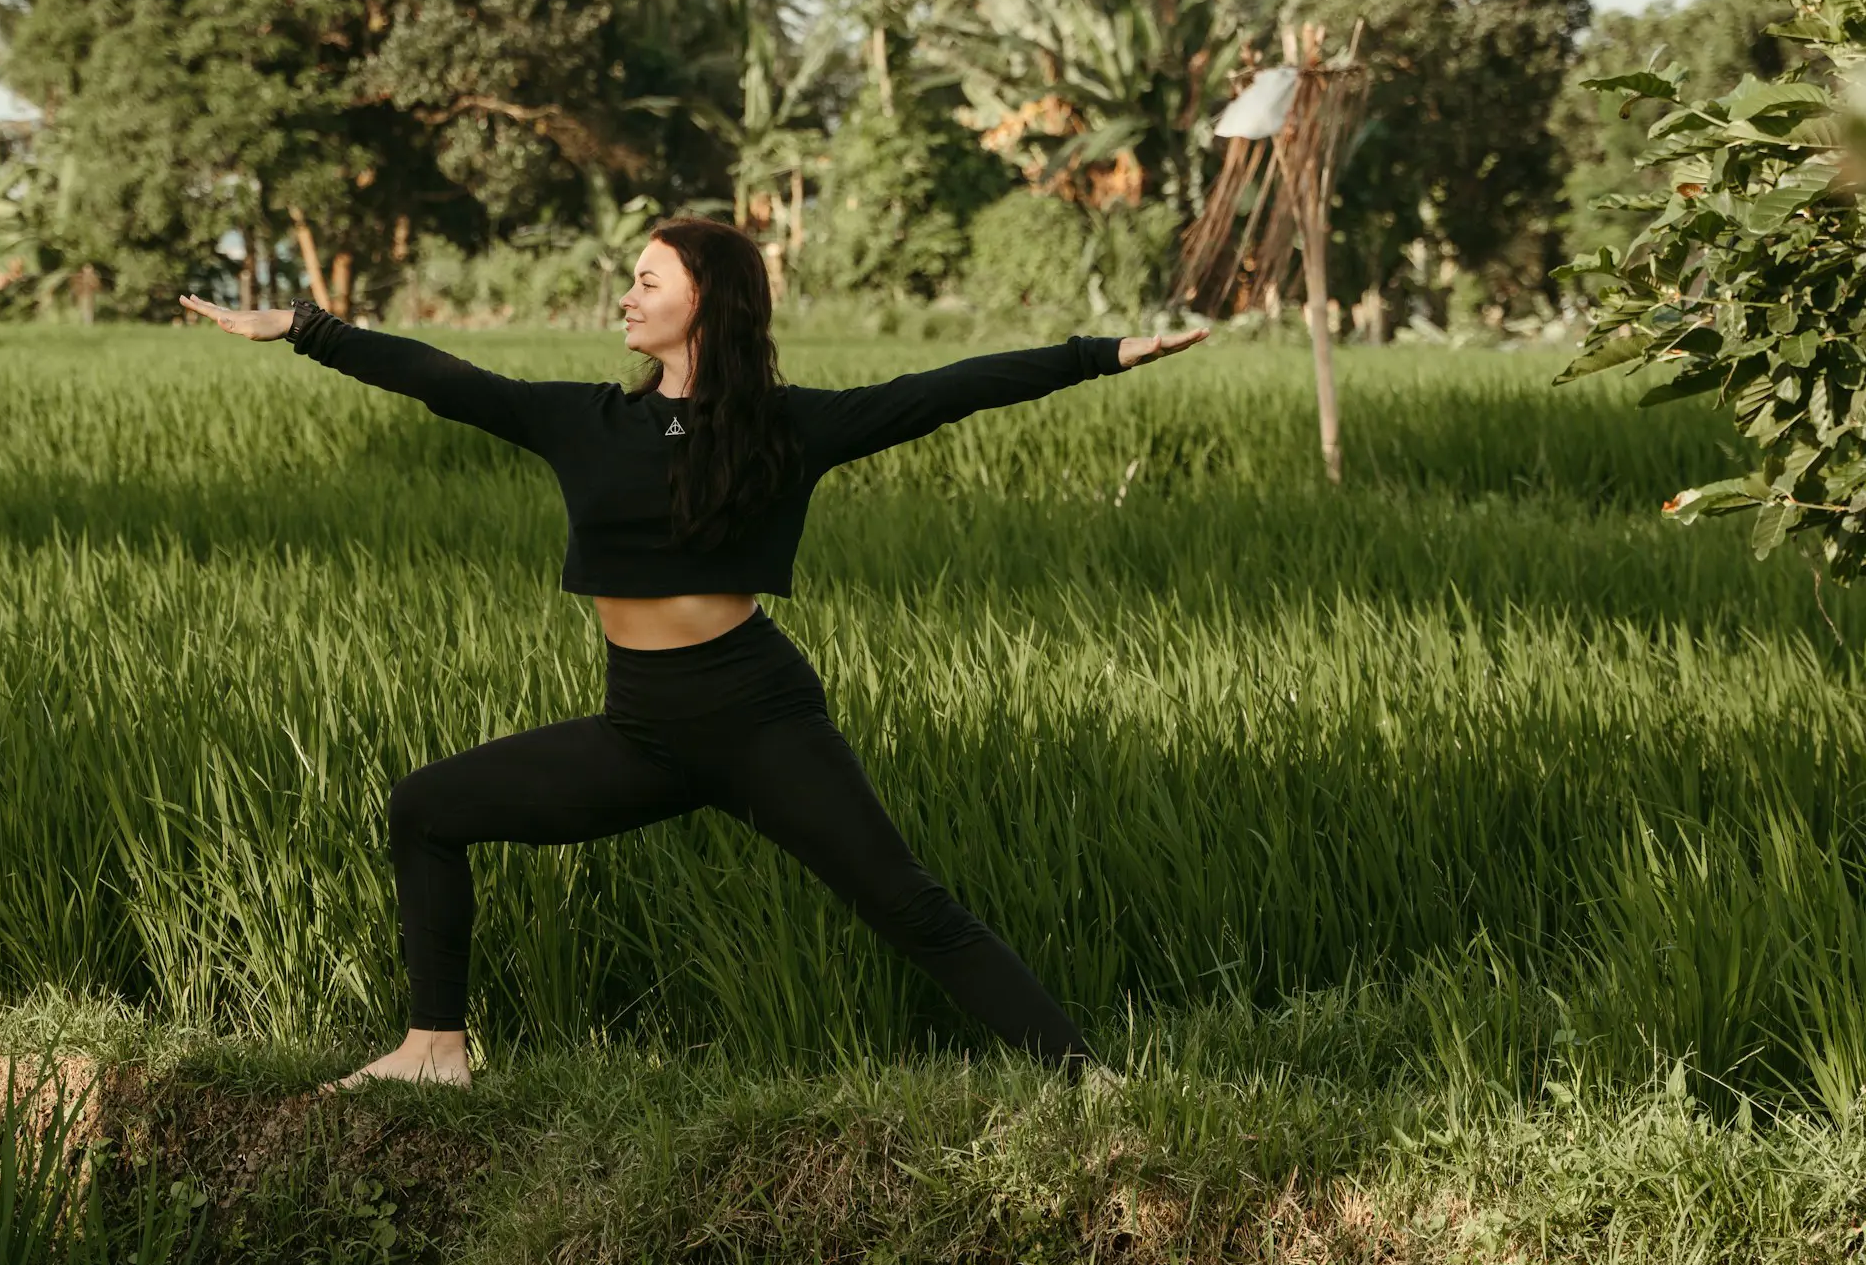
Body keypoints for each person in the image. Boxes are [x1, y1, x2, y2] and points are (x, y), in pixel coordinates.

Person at [179, 217, 1207, 1089]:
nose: (624, 297)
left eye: (645, 279)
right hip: (643, 728)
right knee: (427, 807)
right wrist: (304, 328)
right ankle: (435, 1046)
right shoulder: (581, 421)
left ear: (705, 300)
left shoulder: (788, 428)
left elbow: (945, 389)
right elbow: (440, 379)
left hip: (761, 718)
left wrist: (1097, 353)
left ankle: (1088, 1081)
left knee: (909, 905)